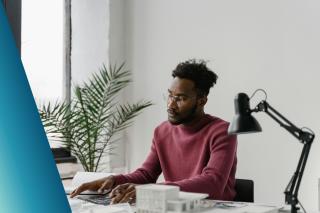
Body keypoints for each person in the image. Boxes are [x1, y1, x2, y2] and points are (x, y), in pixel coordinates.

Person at [70, 59, 237, 204]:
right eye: (170, 95)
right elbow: (146, 175)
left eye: (181, 98)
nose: (171, 104)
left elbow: (213, 184)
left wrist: (153, 190)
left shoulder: (222, 131)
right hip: (174, 208)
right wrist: (114, 180)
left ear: (201, 101)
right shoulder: (162, 131)